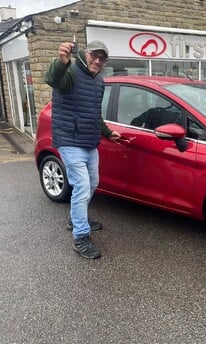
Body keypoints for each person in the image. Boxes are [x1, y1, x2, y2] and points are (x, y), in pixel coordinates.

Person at [45, 40, 121, 259]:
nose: (97, 61)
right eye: (94, 55)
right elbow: (53, 79)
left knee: (93, 183)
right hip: (70, 140)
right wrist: (61, 62)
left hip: (89, 142)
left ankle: (75, 219)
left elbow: (94, 114)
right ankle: (80, 237)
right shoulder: (70, 71)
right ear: (85, 54)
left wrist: (107, 132)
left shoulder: (99, 82)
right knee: (82, 187)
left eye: (102, 58)